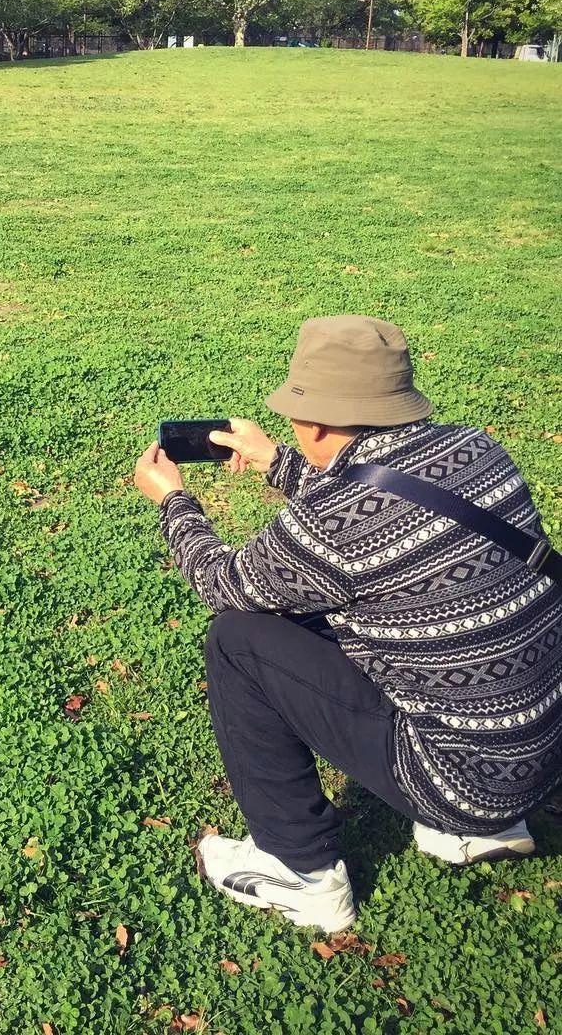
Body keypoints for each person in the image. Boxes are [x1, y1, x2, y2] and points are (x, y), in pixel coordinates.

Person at [133, 315, 562, 933]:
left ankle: (302, 872)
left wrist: (173, 502)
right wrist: (280, 463)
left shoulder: (332, 528)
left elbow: (224, 584)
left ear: (314, 421)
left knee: (237, 641)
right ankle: (483, 826)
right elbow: (388, 500)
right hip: (541, 749)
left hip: (465, 781)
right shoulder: (478, 450)